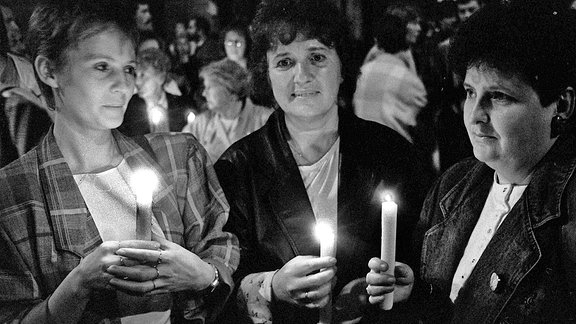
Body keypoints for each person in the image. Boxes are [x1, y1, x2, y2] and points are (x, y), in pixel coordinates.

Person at [0, 0, 239, 323]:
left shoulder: (178, 158)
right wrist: (76, 287)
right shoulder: (13, 194)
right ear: (49, 70)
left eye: (128, 69)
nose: (124, 84)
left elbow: (223, 258)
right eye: (102, 67)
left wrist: (202, 275)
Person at [214, 0, 430, 322]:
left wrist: (404, 284)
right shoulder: (238, 168)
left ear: (343, 67)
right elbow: (222, 285)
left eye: (317, 57)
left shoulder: (392, 155)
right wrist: (271, 286)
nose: (303, 75)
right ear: (267, 75)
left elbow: (426, 261)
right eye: (285, 62)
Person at [366, 1, 576, 322]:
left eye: (499, 96)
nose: (475, 116)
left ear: (561, 104)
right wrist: (414, 294)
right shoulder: (454, 184)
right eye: (469, 92)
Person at [354, 13, 428, 144]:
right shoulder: (407, 78)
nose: (418, 28)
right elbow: (419, 113)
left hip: (364, 145)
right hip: (394, 149)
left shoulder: (363, 72)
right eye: (414, 23)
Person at [182, 58, 271, 162]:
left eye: (209, 87)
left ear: (230, 89)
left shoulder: (265, 120)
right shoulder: (200, 125)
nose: (204, 93)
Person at [0, 10, 51, 168]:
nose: (15, 27)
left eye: (14, 20)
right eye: (6, 22)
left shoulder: (32, 59)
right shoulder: (14, 99)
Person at [119, 48, 197, 136]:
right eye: (136, 75)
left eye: (143, 75)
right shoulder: (127, 109)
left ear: (161, 77)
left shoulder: (183, 105)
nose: (137, 82)